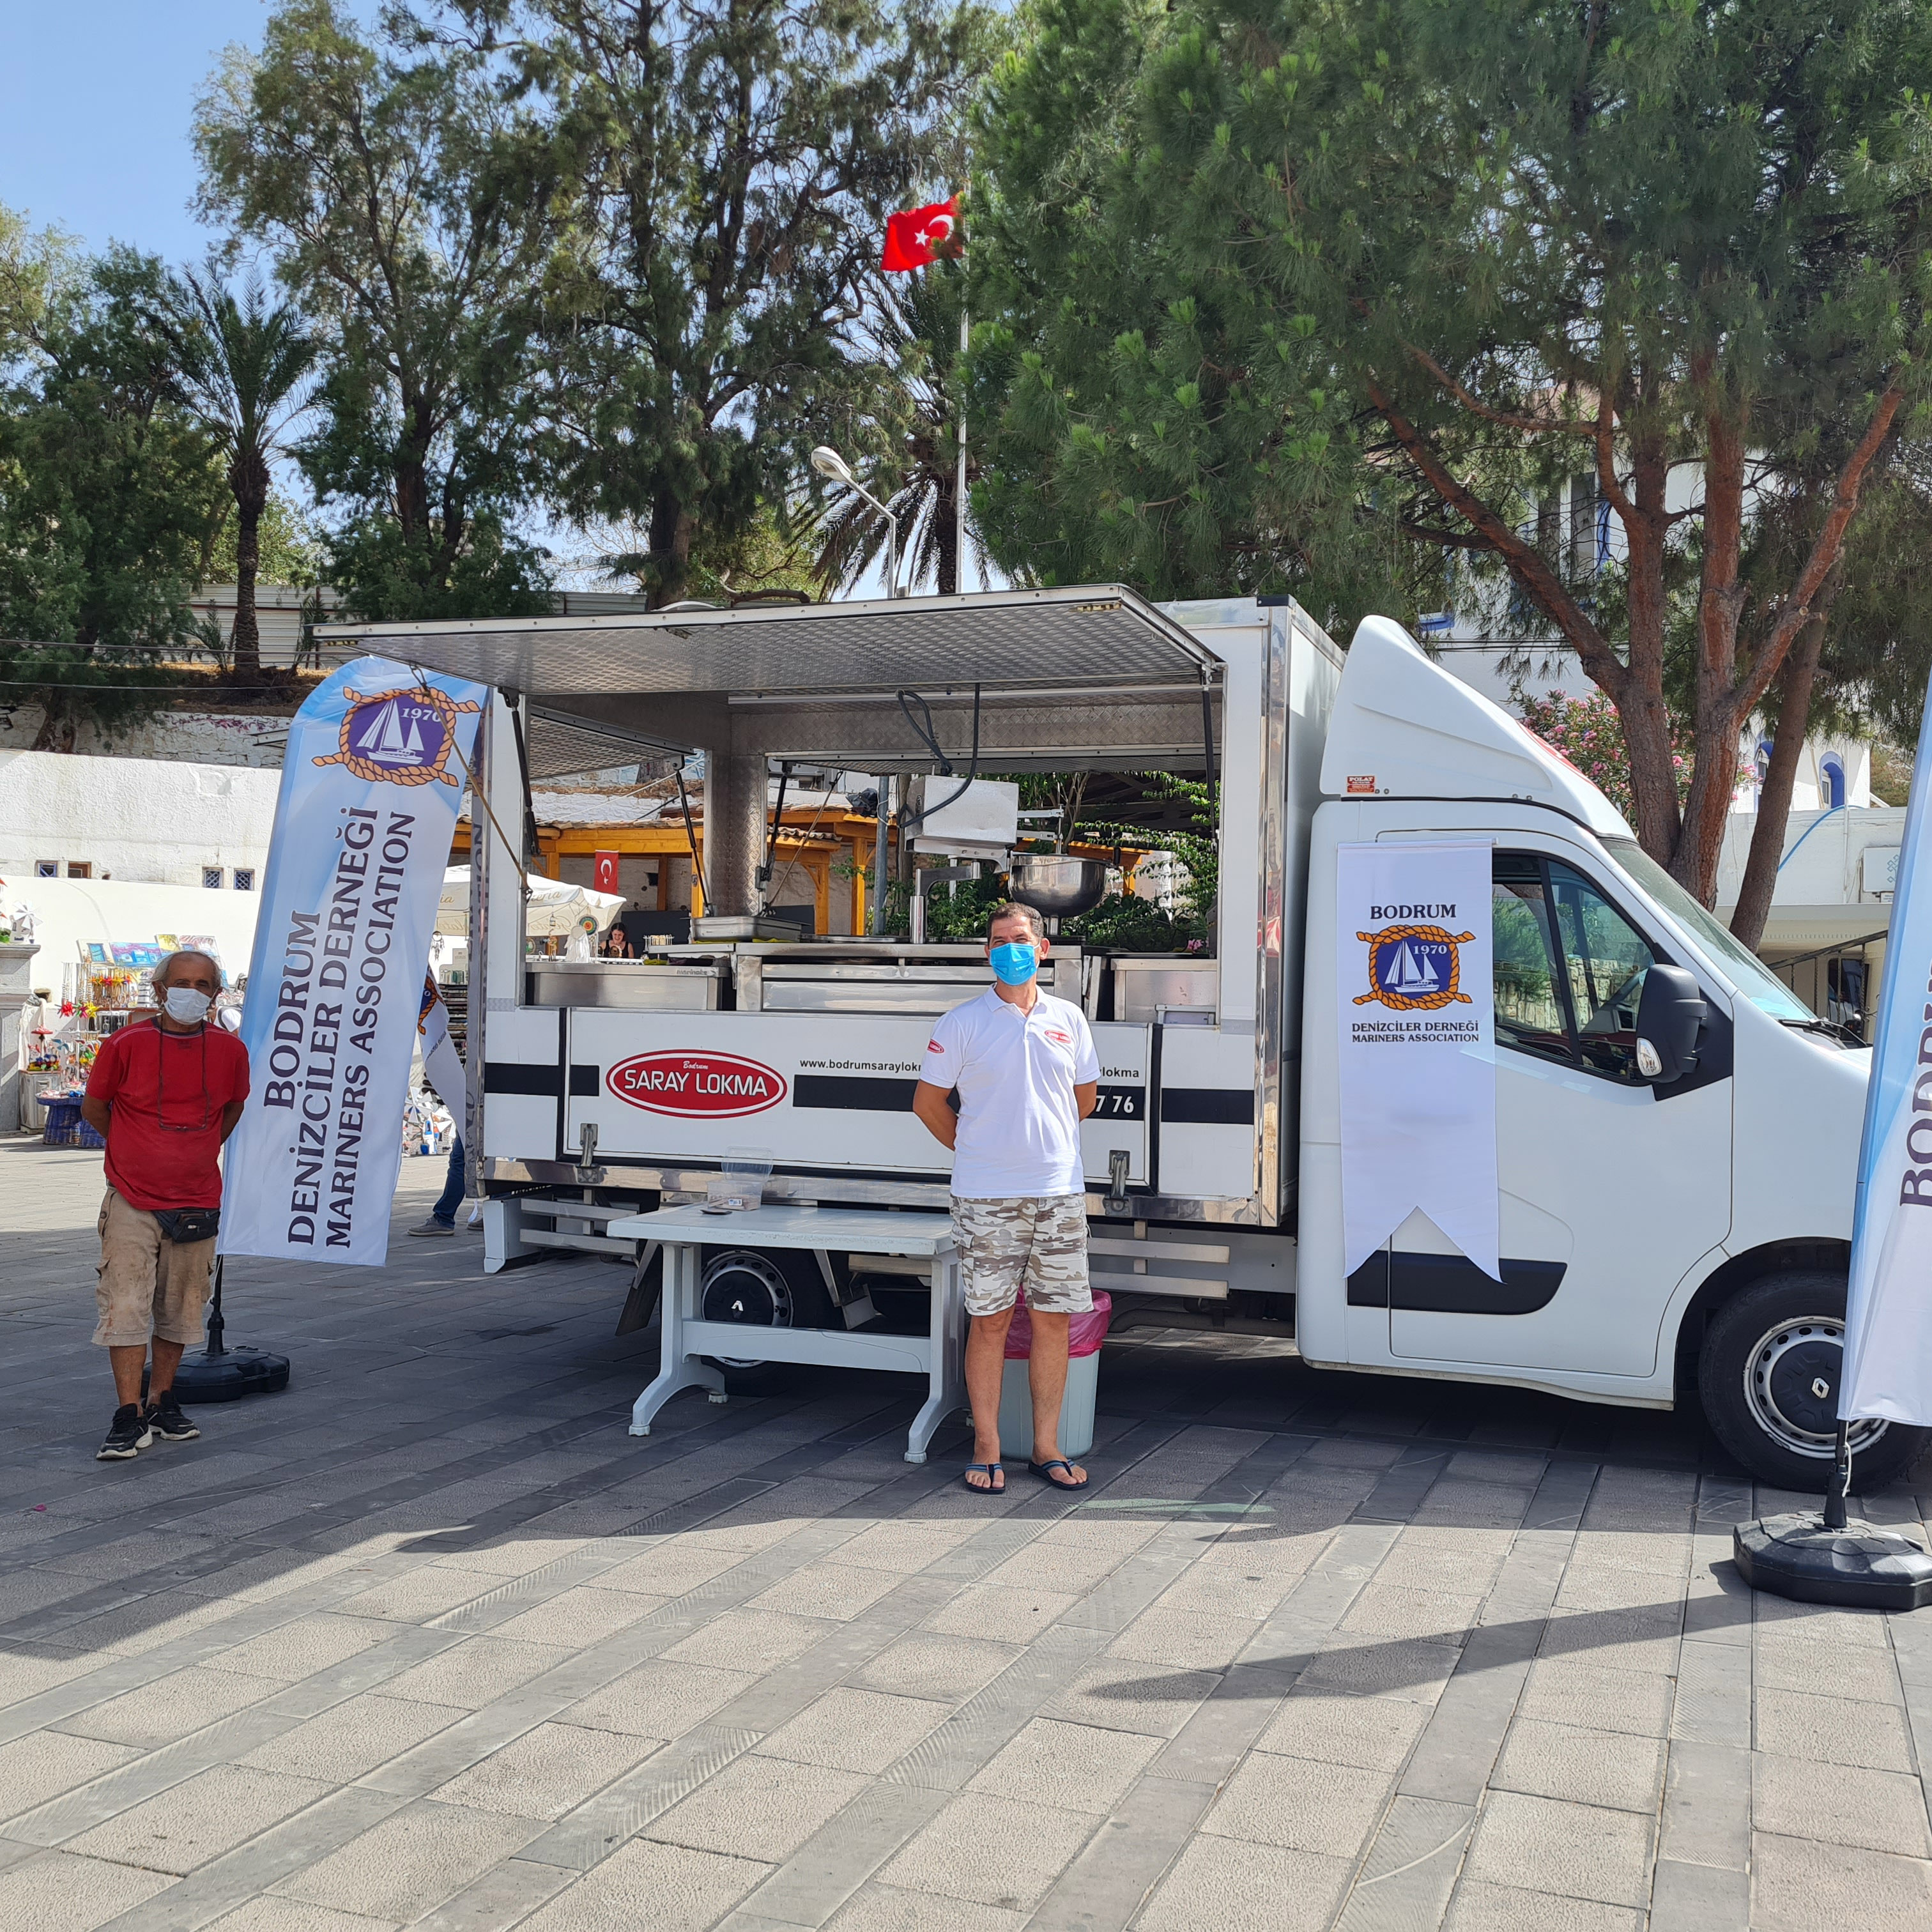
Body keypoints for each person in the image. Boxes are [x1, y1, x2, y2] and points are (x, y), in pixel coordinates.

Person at [914, 901, 1100, 1495]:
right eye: (998, 941)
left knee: (1053, 1323)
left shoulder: (1069, 1019)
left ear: (1042, 948)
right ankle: (987, 1444)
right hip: (986, 1199)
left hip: (1058, 1195)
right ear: (988, 953)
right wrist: (979, 1152)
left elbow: (1084, 1098)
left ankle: (1046, 1446)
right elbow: (928, 1103)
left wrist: (1041, 1148)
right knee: (990, 1323)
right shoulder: (963, 1022)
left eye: (1019, 939)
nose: (1009, 949)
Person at [79, 950, 249, 1460]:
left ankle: (162, 1400)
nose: (191, 992)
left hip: (197, 1200)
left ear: (216, 995)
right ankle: (128, 1415)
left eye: (203, 984)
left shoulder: (230, 1052)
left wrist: (193, 1153)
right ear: (158, 990)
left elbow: (233, 1108)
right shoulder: (124, 1043)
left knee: (179, 1308)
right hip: (132, 1198)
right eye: (181, 982)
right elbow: (94, 1107)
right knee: (126, 1305)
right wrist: (134, 1151)